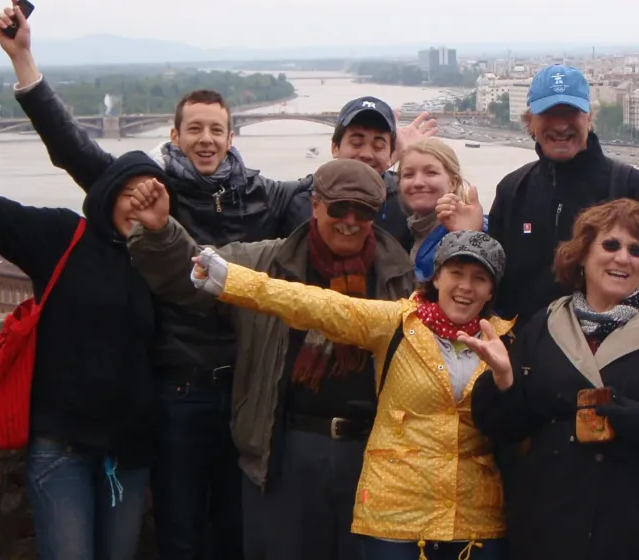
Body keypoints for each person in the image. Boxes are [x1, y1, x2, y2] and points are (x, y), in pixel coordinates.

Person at [0, 5, 309, 557]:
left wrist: (396, 165)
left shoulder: (267, 196)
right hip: (176, 391)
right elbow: (75, 151)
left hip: (243, 392)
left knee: (236, 533)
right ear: (175, 134)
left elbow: (332, 205)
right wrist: (24, 60)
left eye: (216, 129)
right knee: (180, 533)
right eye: (195, 129)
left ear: (232, 135)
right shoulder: (148, 190)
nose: (206, 139)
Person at [125, 158, 416, 560]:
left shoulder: (401, 276)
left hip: (371, 454)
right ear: (315, 203)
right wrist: (160, 230)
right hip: (282, 451)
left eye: (363, 211)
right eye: (338, 208)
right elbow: (192, 277)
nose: (350, 220)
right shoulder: (262, 262)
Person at [0, 149, 165, 559]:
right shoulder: (61, 236)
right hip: (63, 453)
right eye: (129, 193)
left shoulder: (165, 261)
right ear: (107, 193)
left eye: (149, 196)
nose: (138, 204)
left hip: (128, 456)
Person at [186, 229, 513, 560]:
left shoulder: (510, 341)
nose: (465, 287)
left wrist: (504, 375)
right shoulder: (398, 323)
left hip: (476, 522)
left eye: (479, 278)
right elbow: (317, 306)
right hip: (395, 518)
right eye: (456, 273)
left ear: (490, 292)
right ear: (437, 277)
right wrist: (229, 280)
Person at [469, 198, 639, 559]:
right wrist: (503, 382)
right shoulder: (543, 325)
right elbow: (505, 427)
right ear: (582, 254)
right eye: (611, 245)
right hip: (549, 522)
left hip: (635, 525)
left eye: (637, 251)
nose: (623, 258)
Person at [488, 64, 639, 330]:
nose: (560, 124)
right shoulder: (512, 191)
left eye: (571, 113)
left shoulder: (633, 187)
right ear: (530, 122)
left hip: (609, 356)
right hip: (527, 357)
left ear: (589, 119)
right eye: (548, 114)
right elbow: (493, 284)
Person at [329, 96, 439, 245]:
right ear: (335, 147)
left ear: (392, 154)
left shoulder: (406, 198)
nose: (366, 154)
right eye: (356, 143)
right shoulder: (303, 196)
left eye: (379, 147)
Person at [398, 137, 486, 280]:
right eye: (408, 174)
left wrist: (469, 236)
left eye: (431, 172)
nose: (418, 182)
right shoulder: (401, 234)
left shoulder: (478, 229)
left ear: (453, 182)